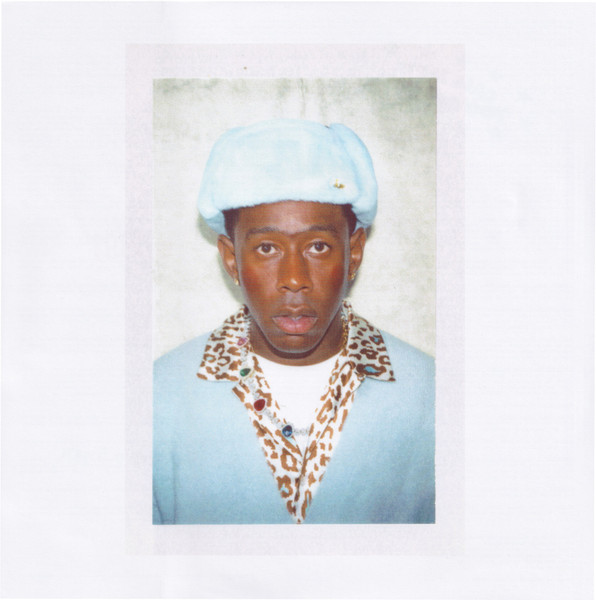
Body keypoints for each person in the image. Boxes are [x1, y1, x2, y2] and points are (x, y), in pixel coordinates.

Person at [153, 119, 435, 525]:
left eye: (318, 246)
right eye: (266, 248)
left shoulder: (433, 396)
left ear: (353, 253)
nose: (294, 279)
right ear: (231, 258)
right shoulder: (157, 397)